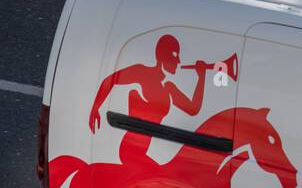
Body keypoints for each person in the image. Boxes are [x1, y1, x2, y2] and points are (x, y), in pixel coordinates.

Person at [87, 34, 218, 167]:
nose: (178, 61)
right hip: (130, 149)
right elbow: (110, 80)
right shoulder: (142, 73)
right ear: (162, 56)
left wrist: (202, 76)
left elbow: (193, 109)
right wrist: (95, 107)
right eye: (174, 55)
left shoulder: (168, 87)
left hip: (142, 151)